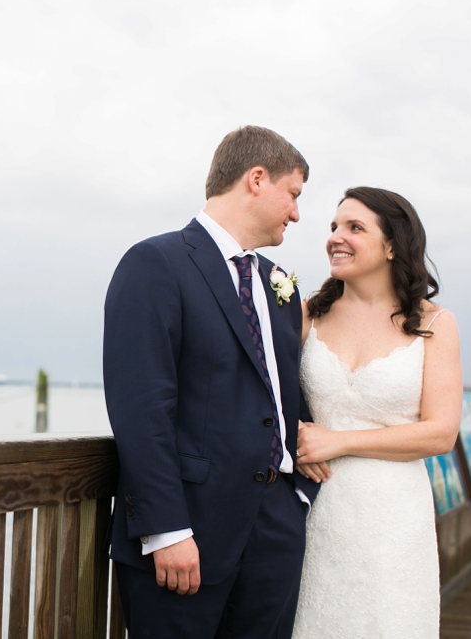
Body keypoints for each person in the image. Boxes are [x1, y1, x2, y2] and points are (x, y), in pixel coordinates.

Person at [103, 125, 319, 638]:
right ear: (257, 179)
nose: (296, 213)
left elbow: (286, 393)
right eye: (293, 194)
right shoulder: (156, 263)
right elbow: (142, 407)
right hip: (189, 536)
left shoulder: (278, 286)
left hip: (275, 535)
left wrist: (298, 495)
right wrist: (166, 529)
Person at [292, 187, 463, 638]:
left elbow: (441, 434)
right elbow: (263, 396)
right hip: (313, 511)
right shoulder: (309, 314)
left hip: (393, 520)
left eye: (354, 227)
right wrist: (295, 434)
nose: (335, 237)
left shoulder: (434, 324)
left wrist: (340, 440)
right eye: (333, 227)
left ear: (392, 245)